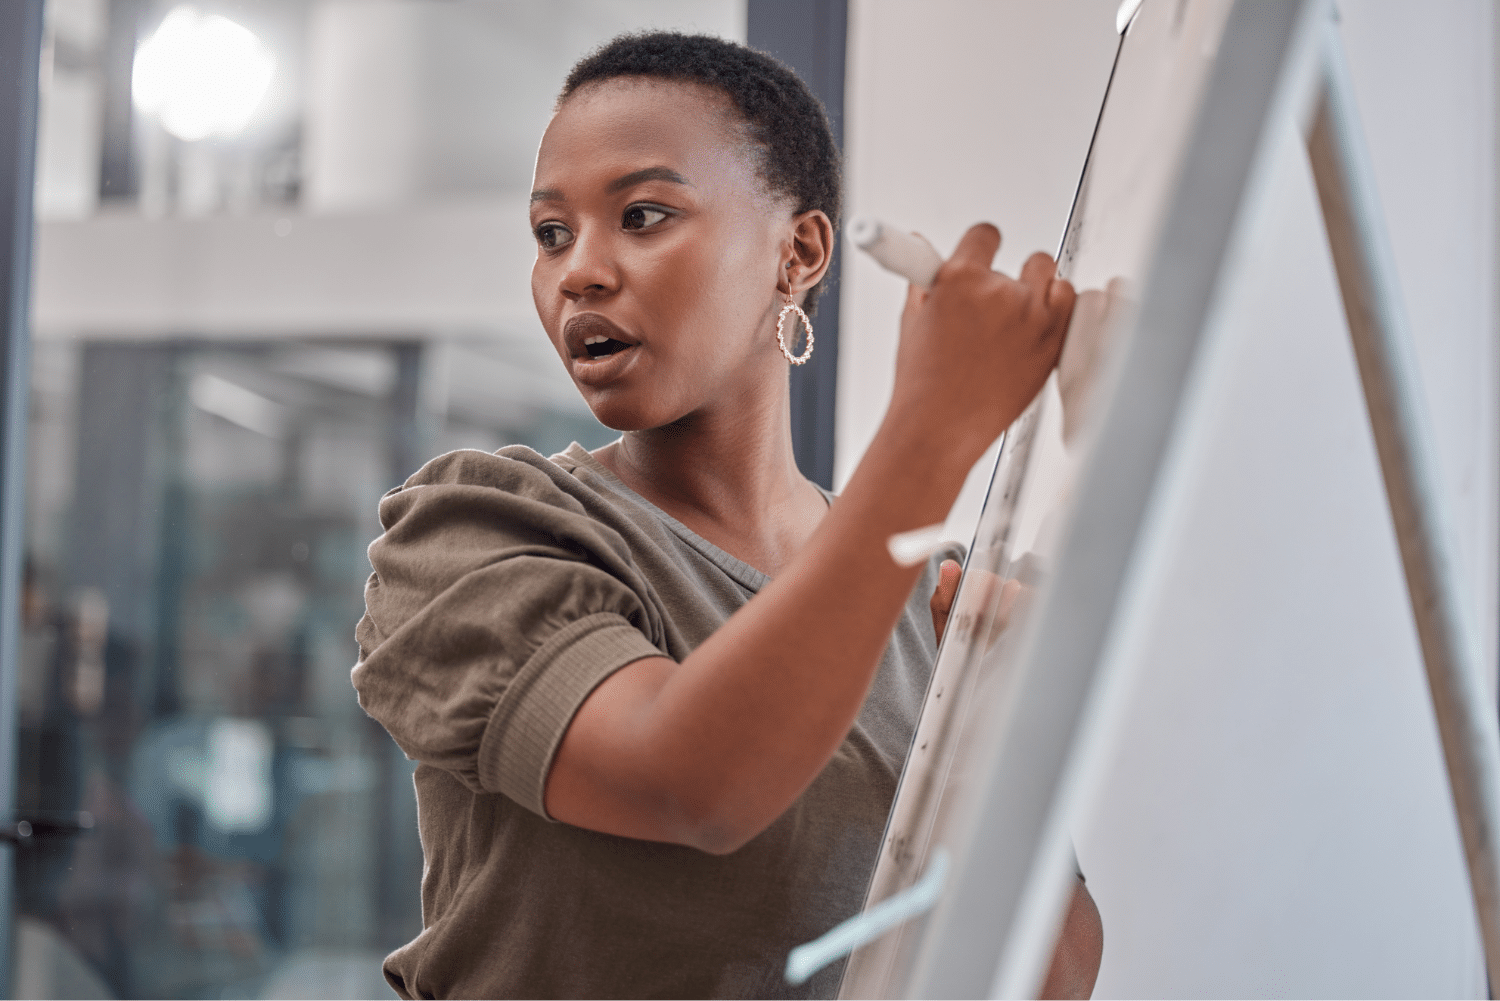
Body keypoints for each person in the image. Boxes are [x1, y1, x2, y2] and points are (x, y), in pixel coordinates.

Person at [352, 31, 1102, 1001]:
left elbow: (1057, 976)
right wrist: (933, 428)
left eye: (643, 214)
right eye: (551, 233)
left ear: (798, 252)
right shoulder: (472, 531)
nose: (579, 270)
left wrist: (995, 724)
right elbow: (691, 782)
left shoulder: (936, 601)